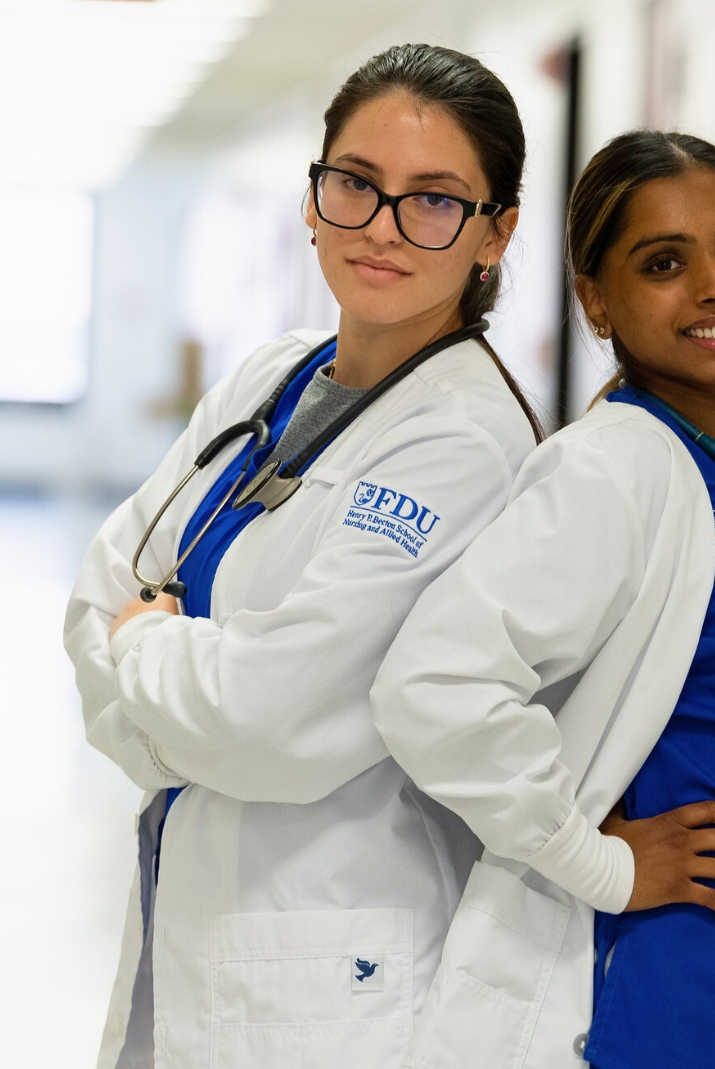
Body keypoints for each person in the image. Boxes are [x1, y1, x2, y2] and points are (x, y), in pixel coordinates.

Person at [371, 130, 715, 1069]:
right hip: (682, 981)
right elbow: (431, 686)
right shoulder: (611, 467)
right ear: (597, 298)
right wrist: (604, 862)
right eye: (665, 263)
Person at [64, 43, 547, 1069]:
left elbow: (270, 719)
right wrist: (180, 717)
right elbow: (95, 592)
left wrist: (149, 647)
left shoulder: (462, 444)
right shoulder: (268, 375)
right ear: (313, 194)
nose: (380, 227)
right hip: (201, 908)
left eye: (433, 200)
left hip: (338, 967)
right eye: (355, 185)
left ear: (494, 233)